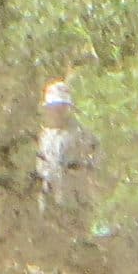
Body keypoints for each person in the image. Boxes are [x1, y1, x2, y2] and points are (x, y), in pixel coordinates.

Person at [35, 80, 102, 227]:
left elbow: (97, 152)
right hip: (50, 199)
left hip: (74, 199)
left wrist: (87, 170)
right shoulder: (44, 136)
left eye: (61, 107)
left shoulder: (80, 133)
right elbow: (40, 165)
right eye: (54, 107)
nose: (57, 111)